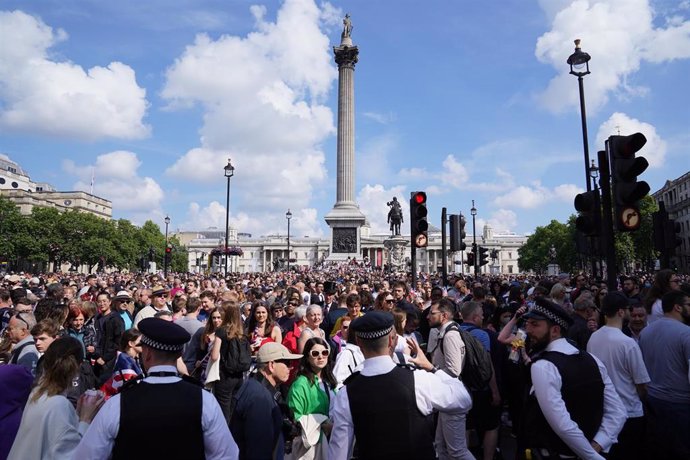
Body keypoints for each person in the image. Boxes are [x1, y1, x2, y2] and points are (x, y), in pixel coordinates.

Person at [74, 318, 239, 459]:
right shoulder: (204, 400)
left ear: (147, 354)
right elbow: (226, 455)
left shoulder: (118, 403)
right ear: (178, 356)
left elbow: (87, 456)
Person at [329, 311, 472, 460]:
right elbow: (463, 399)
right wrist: (433, 369)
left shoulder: (347, 393)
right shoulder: (417, 379)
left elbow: (338, 453)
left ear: (358, 342)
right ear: (392, 341)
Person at [522, 297, 626, 460]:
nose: (527, 329)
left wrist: (591, 455)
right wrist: (597, 445)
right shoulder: (592, 359)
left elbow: (563, 425)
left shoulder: (543, 366)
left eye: (535, 324)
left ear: (555, 330)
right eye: (527, 323)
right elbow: (618, 412)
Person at [8, 337, 105, 460]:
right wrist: (85, 419)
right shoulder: (59, 404)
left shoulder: (37, 394)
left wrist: (78, 413)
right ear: (78, 367)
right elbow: (72, 455)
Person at [587, 292, 650, 460]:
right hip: (629, 412)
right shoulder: (627, 343)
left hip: (605, 411)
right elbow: (641, 383)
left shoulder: (594, 337)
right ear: (622, 312)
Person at [638, 290, 690, 459]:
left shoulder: (646, 332)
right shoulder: (686, 333)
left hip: (653, 402)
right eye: (688, 305)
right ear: (678, 307)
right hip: (680, 405)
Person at [230, 342, 303, 460]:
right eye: (287, 363)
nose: (291, 367)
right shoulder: (259, 397)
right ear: (271, 365)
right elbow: (258, 449)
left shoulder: (259, 390)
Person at [427, 298, 474, 460]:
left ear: (444, 316)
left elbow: (454, 370)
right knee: (441, 446)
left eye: (432, 313)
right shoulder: (447, 332)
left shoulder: (450, 335)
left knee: (457, 451)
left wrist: (431, 369)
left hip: (452, 397)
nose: (428, 316)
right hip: (447, 397)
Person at [287, 337, 337, 459]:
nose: (321, 357)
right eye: (315, 353)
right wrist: (323, 424)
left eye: (324, 352)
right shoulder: (300, 384)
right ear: (307, 358)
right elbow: (296, 418)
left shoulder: (329, 381)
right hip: (312, 445)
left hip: (332, 440)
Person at [210, 301, 249, 425]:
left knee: (223, 409)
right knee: (233, 408)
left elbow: (214, 356)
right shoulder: (241, 332)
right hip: (238, 376)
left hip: (224, 375)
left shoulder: (221, 331)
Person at [100, 328, 143, 397]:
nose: (143, 344)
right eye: (140, 341)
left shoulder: (132, 359)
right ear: (131, 343)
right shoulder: (125, 362)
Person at [7, 311, 39, 376]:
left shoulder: (28, 352)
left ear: (23, 331)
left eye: (10, 329)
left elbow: (27, 381)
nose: (7, 332)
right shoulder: (24, 348)